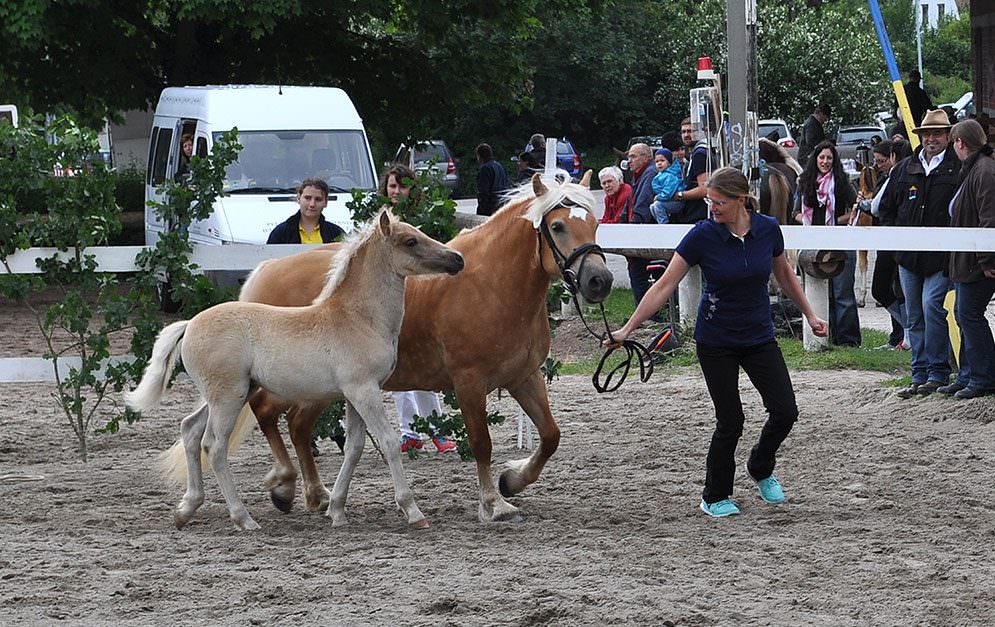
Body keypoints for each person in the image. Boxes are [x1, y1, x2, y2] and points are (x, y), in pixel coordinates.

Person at [604, 168, 828, 517]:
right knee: (731, 420)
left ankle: (760, 466)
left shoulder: (767, 229)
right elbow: (664, 286)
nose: (712, 208)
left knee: (786, 410)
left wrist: (810, 315)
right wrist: (627, 330)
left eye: (719, 202)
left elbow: (783, 273)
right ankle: (714, 495)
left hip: (758, 336)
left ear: (741, 200)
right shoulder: (702, 236)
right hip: (716, 339)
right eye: (709, 201)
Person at [878, 110, 961, 398]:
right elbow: (885, 208)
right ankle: (919, 373)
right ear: (920, 137)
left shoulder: (957, 168)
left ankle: (938, 372)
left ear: (948, 136)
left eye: (937, 133)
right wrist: (897, 241)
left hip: (941, 257)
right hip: (909, 257)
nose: (931, 139)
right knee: (914, 315)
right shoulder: (905, 169)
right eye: (927, 134)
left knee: (931, 308)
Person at [378, 165, 457, 452]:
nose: (396, 191)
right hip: (388, 303)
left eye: (402, 186)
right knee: (396, 368)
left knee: (422, 367)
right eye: (392, 186)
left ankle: (435, 428)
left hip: (422, 302)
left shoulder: (427, 219)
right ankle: (409, 431)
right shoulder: (379, 223)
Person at [941, 119, 995, 399]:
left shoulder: (983, 170)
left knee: (970, 316)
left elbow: (989, 217)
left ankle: (984, 377)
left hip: (977, 260)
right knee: (964, 316)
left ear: (960, 143)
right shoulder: (975, 168)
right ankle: (968, 375)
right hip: (967, 257)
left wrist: (987, 260)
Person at [794, 140, 860, 346]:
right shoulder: (804, 182)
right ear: (816, 159)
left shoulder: (842, 182)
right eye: (822, 157)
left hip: (840, 242)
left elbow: (854, 209)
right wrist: (810, 222)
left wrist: (837, 221)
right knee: (821, 292)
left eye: (829, 158)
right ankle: (826, 335)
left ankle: (848, 340)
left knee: (843, 293)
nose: (825, 161)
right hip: (813, 241)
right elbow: (795, 212)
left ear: (834, 160)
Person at [864, 140, 908, 350]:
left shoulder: (895, 177)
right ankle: (901, 333)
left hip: (891, 239)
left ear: (893, 158)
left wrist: (865, 204)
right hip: (890, 237)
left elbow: (876, 206)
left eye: (882, 160)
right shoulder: (887, 177)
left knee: (884, 288)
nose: (878, 165)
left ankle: (908, 330)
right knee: (893, 289)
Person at [619, 142, 658, 311]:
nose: (629, 161)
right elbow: (630, 203)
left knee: (640, 274)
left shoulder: (649, 174)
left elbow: (643, 204)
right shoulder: (638, 175)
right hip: (637, 230)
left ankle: (647, 314)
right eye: (629, 157)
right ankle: (645, 313)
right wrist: (622, 225)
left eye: (633, 156)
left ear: (646, 157)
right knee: (639, 274)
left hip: (644, 232)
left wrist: (632, 229)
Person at [266, 178, 346, 245]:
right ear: (298, 198)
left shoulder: (336, 233)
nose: (312, 204)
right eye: (307, 198)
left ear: (325, 202)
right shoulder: (281, 233)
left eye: (318, 199)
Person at [674, 118, 709, 224]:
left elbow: (705, 189)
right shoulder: (697, 153)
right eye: (683, 132)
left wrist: (679, 195)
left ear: (701, 132)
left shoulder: (700, 154)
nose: (686, 135)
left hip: (698, 215)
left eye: (691, 131)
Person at [649, 148, 684, 225]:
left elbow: (668, 193)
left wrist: (658, 197)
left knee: (658, 205)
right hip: (668, 200)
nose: (659, 163)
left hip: (677, 202)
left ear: (669, 163)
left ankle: (664, 224)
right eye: (657, 161)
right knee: (652, 207)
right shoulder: (662, 174)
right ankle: (660, 222)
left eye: (662, 160)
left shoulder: (670, 176)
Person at [475, 143, 509, 216]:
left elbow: (483, 190)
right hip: (501, 204)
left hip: (490, 206)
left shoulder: (485, 168)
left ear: (479, 156)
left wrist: (482, 207)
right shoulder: (499, 166)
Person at [902, 70, 934, 137]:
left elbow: (896, 106)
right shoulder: (920, 92)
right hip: (917, 121)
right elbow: (928, 108)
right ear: (917, 79)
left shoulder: (902, 90)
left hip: (903, 123)